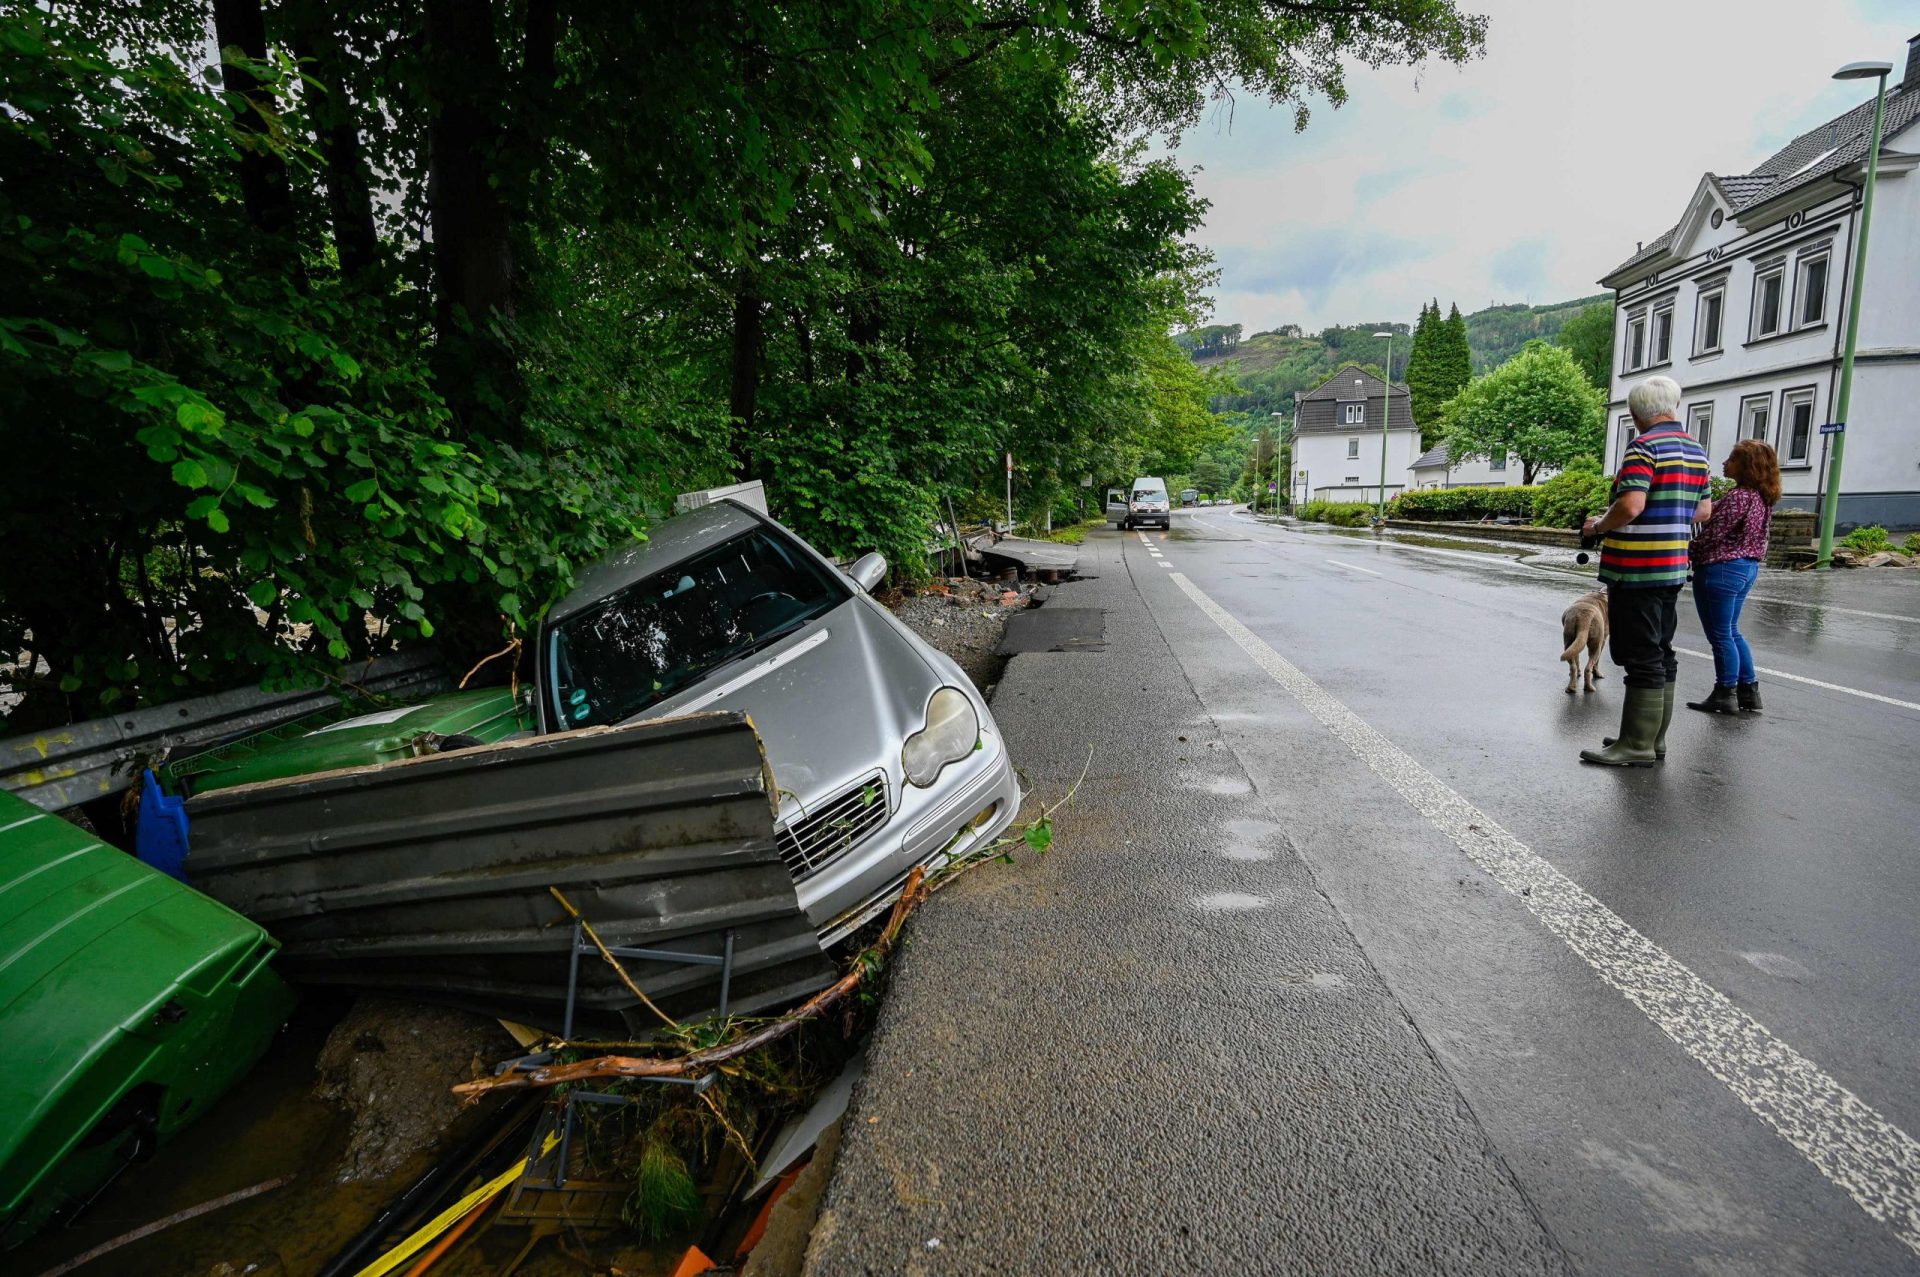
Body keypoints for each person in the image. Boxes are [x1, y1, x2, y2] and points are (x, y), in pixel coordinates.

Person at [1579, 376, 1710, 766]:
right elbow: (1703, 511)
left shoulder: (1644, 447)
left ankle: (1635, 744)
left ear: (1637, 413)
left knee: (1640, 655)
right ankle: (1652, 739)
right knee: (1660, 650)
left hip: (1637, 568)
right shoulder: (1695, 450)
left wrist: (1598, 526)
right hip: (1672, 566)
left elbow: (1631, 505)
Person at [1685, 439, 1779, 715]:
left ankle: (1724, 692)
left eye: (1731, 459)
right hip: (1746, 568)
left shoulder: (1740, 496)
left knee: (1720, 635)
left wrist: (1686, 549)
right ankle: (1749, 692)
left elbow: (1714, 534)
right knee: (1731, 630)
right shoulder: (1761, 496)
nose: (1725, 464)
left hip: (1721, 569)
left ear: (1747, 466)